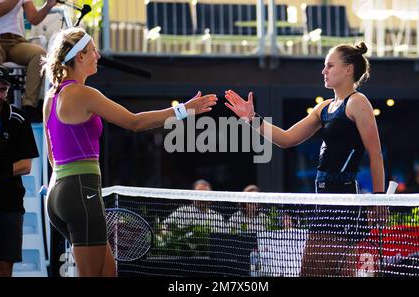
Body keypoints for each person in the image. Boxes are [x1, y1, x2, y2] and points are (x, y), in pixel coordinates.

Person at [41, 27, 217, 277]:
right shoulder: (84, 94)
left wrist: (67, 190)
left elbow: (51, 154)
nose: (98, 56)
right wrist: (184, 110)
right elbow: (135, 122)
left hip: (57, 193)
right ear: (80, 57)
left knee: (109, 272)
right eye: (93, 51)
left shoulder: (51, 96)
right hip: (80, 192)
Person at [224, 42, 385, 276]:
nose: (324, 71)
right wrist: (253, 118)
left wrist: (378, 200)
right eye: (324, 66)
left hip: (344, 201)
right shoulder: (324, 108)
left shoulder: (358, 102)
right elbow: (287, 138)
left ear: (348, 69)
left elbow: (376, 154)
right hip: (324, 200)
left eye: (330, 66)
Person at [0, 64, 39, 277]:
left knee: (4, 266)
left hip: (9, 204)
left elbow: (26, 166)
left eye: (2, 89)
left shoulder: (18, 119)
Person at [0, 0, 57, 121]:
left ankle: (29, 107)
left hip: (16, 41)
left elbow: (33, 18)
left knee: (39, 54)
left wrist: (48, 6)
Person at [161, 179, 226, 234]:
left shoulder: (217, 217)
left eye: (206, 195)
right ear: (192, 196)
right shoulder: (182, 211)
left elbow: (224, 237)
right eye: (199, 194)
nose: (202, 198)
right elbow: (163, 226)